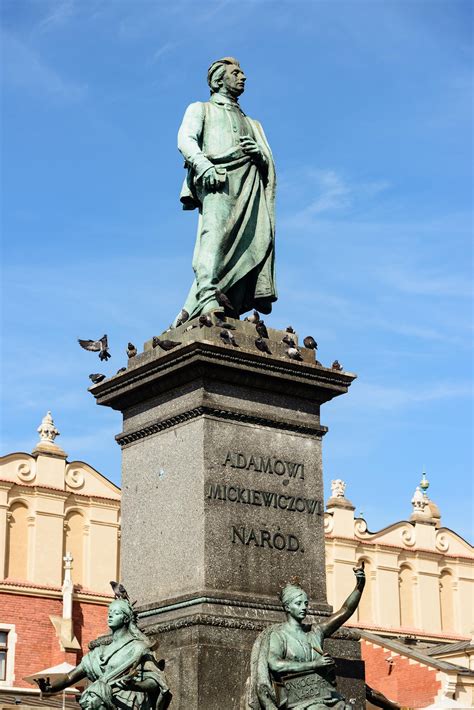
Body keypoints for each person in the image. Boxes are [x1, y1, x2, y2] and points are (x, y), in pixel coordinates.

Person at [175, 57, 277, 324]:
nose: (243, 77)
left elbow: (266, 160)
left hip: (249, 183)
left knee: (255, 240)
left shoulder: (253, 123)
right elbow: (185, 138)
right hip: (218, 179)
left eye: (243, 73)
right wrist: (203, 166)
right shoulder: (201, 109)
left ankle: (226, 298)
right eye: (236, 73)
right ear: (218, 79)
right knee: (215, 237)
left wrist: (261, 156)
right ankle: (207, 294)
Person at [246, 565, 365, 709]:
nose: (304, 607)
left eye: (306, 603)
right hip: (294, 697)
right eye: (298, 603)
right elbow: (275, 664)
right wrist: (314, 664)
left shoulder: (315, 631)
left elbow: (346, 610)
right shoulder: (278, 635)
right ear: (287, 607)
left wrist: (360, 585)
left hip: (320, 694)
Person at [35, 597, 171, 710]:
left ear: (126, 619)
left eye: (116, 613)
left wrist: (134, 686)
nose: (110, 615)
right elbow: (71, 676)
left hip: (127, 703)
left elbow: (155, 681)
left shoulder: (138, 648)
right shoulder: (99, 652)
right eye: (109, 612)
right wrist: (51, 687)